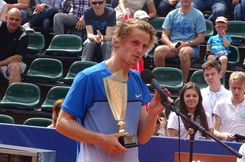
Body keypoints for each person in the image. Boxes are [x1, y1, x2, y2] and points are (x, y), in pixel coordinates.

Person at [56, 19, 165, 162]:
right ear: (117, 41)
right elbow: (62, 123)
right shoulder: (88, 77)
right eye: (135, 43)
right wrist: (101, 139)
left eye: (144, 46)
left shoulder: (138, 80)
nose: (140, 50)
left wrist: (153, 113)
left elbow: (143, 138)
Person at [153, 0, 206, 82]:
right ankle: (162, 80)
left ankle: (182, 82)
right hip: (173, 46)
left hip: (191, 47)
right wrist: (170, 45)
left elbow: (201, 38)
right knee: (158, 51)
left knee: (183, 51)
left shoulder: (198, 15)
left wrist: (187, 44)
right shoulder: (172, 14)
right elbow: (164, 35)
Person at [213, 71, 245, 142]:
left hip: (243, 148)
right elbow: (214, 131)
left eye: (239, 88)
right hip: (224, 145)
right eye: (234, 88)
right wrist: (224, 136)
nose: (236, 91)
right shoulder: (220, 104)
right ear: (229, 86)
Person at [0, 8, 27, 84]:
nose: (13, 22)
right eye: (11, 18)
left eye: (17, 20)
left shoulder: (23, 34)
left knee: (15, 66)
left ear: (21, 21)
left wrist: (0, 64)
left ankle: (14, 94)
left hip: (11, 63)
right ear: (6, 18)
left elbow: (18, 57)